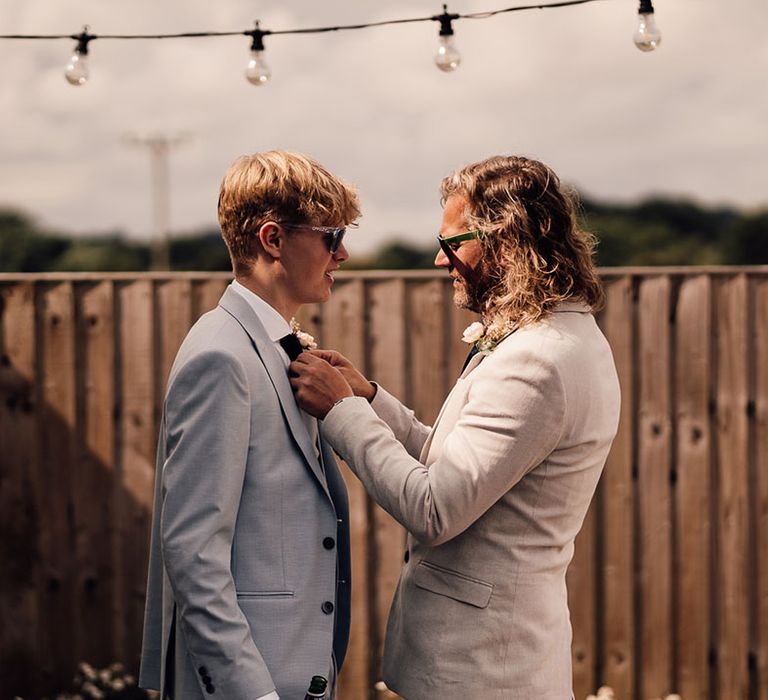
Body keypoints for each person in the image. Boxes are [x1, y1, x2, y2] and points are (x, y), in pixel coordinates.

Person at [289, 155, 621, 699]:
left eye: (452, 243)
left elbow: (435, 509)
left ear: (505, 240)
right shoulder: (559, 338)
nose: (440, 261)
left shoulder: (536, 360)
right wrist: (369, 398)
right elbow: (463, 470)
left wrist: (340, 413)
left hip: (483, 671)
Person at [139, 150, 359, 700]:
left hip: (296, 671)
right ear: (273, 239)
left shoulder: (272, 346)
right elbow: (193, 551)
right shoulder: (221, 357)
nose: (344, 253)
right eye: (331, 237)